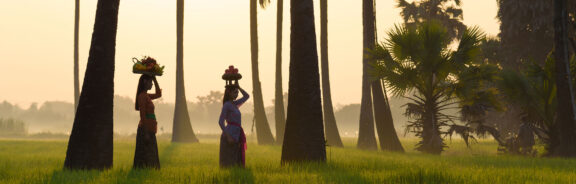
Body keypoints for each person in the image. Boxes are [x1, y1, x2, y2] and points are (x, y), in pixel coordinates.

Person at [133, 74, 162, 169]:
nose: (152, 85)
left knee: (151, 154)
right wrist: (146, 132)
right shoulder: (142, 96)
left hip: (150, 129)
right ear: (145, 82)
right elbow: (143, 115)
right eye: (151, 82)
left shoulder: (147, 96)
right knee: (146, 155)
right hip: (145, 129)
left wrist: (155, 78)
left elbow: (159, 94)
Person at [218, 82, 250, 168]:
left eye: (237, 93)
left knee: (236, 157)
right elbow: (221, 122)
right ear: (229, 92)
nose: (237, 94)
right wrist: (228, 136)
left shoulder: (234, 104)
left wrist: (239, 87)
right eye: (235, 92)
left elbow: (247, 96)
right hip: (230, 133)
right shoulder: (227, 105)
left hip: (237, 133)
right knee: (229, 159)